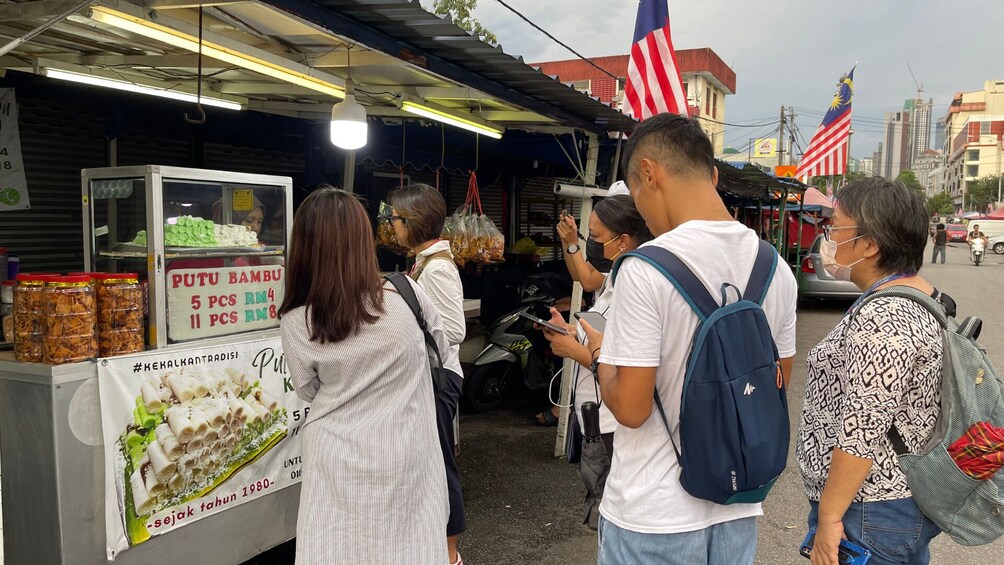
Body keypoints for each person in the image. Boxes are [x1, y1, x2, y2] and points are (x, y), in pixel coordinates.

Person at [583, 113, 798, 564]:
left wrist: (598, 352)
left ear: (648, 174)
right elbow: (777, 383)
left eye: (637, 195)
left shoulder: (643, 269)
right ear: (714, 175)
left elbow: (632, 409)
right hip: (736, 508)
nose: (640, 209)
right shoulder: (775, 267)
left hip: (652, 514)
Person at [279, 187, 449, 565]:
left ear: (303, 246)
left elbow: (308, 389)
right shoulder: (407, 295)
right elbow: (442, 349)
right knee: (412, 547)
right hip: (407, 453)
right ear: (363, 242)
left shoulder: (295, 320)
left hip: (335, 460)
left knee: (337, 549)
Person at [797, 178, 944, 565]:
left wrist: (829, 519)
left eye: (836, 228)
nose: (829, 238)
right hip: (887, 503)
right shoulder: (918, 294)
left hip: (868, 509)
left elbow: (863, 426)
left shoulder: (885, 318)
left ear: (869, 244)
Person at [539, 195, 653, 527]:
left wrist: (574, 349)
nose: (592, 245)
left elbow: (625, 362)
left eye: (597, 238)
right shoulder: (622, 272)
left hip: (614, 421)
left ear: (624, 240)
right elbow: (590, 287)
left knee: (612, 510)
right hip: (598, 414)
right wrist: (574, 331)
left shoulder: (637, 282)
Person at [387, 183, 468, 565]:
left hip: (438, 379)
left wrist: (410, 336)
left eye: (396, 219)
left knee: (440, 465)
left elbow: (454, 330)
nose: (392, 225)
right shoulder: (423, 262)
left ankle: (450, 555)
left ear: (413, 223)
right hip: (429, 377)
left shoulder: (436, 269)